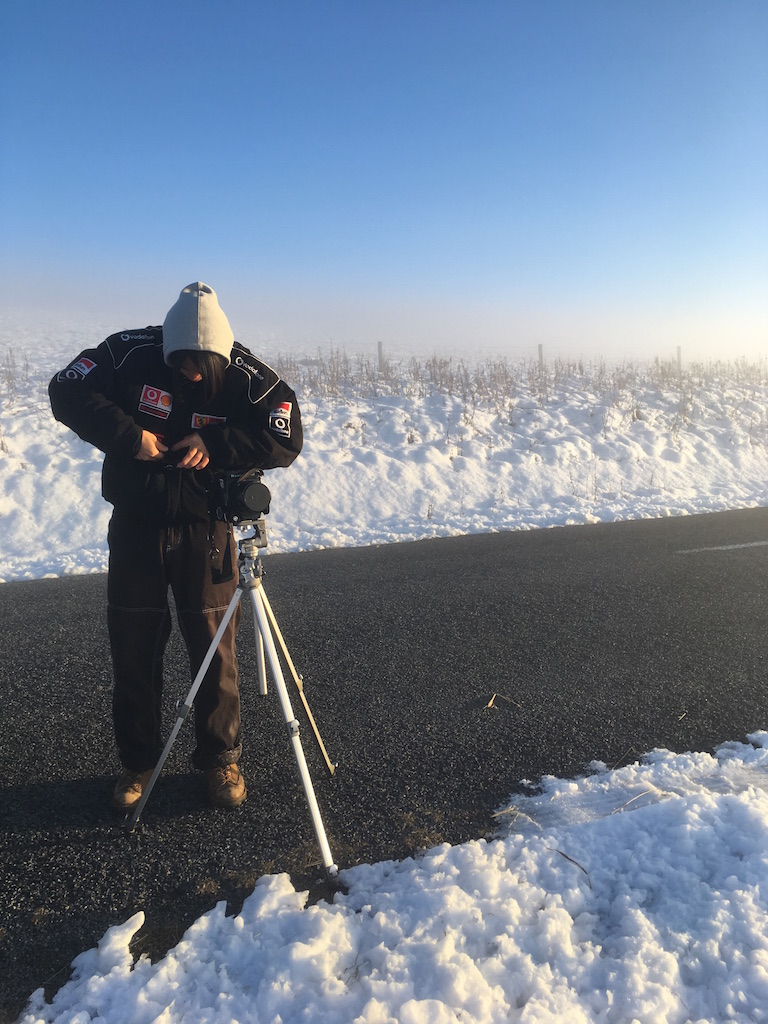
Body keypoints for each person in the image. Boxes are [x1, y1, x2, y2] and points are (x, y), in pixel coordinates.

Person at [49, 282, 303, 812]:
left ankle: (221, 759)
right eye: (181, 362)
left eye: (200, 366)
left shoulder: (247, 375)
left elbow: (286, 436)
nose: (189, 374)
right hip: (136, 525)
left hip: (207, 528)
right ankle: (137, 763)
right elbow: (65, 389)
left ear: (221, 358)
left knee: (216, 651)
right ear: (166, 348)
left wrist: (214, 444)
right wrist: (128, 437)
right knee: (133, 647)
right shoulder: (128, 352)